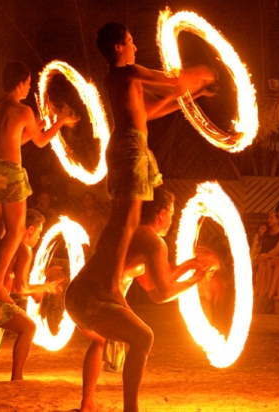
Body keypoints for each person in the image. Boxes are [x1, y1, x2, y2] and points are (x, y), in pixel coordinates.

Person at [71, 23, 215, 315]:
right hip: (130, 148)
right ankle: (112, 281)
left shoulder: (122, 79)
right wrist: (199, 74)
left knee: (127, 220)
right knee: (128, 221)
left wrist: (192, 96)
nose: (135, 47)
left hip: (132, 147)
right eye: (131, 41)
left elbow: (149, 111)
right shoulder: (126, 73)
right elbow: (171, 81)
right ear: (118, 47)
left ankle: (111, 279)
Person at [65, 187, 218, 412]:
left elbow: (153, 289)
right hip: (93, 301)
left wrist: (188, 267)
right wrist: (196, 279)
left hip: (76, 297)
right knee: (143, 337)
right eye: (172, 214)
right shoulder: (153, 242)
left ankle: (87, 404)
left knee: (100, 339)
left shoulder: (134, 234)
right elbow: (164, 293)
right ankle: (131, 409)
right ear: (162, 213)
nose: (172, 221)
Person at [0, 62, 77, 304]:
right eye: (28, 83)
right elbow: (42, 141)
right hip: (11, 173)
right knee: (16, 232)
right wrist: (61, 120)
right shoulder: (21, 110)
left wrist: (41, 122)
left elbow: (15, 140)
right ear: (20, 82)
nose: (29, 88)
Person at [0, 209, 63, 380]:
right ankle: (17, 377)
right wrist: (46, 287)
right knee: (28, 328)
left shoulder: (1, 242)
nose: (39, 237)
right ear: (30, 229)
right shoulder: (23, 248)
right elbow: (22, 288)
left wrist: (41, 287)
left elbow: (14, 288)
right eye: (39, 232)